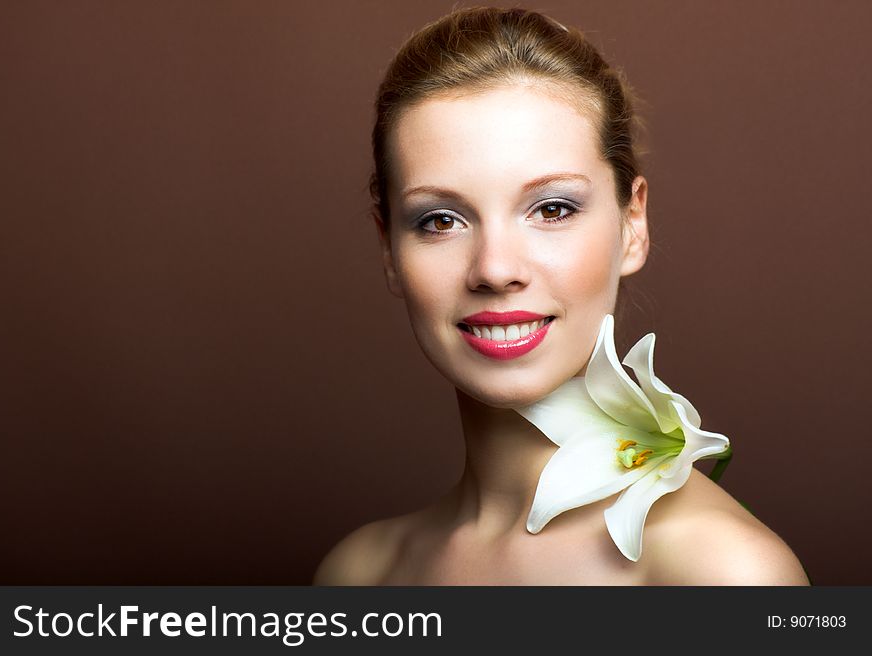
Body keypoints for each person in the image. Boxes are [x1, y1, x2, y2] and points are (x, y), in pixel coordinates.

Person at [313, 7, 808, 585]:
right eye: (441, 220)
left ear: (633, 224)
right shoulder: (360, 574)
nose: (495, 269)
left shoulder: (721, 573)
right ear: (389, 251)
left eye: (552, 209)